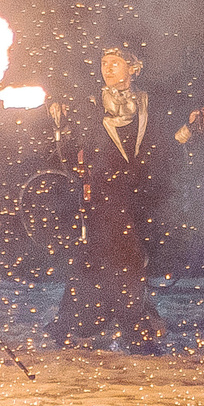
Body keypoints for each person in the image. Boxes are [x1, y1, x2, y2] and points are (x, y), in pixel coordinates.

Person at [46, 38, 169, 353]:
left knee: (95, 262)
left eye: (115, 62)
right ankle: (137, 331)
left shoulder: (148, 103)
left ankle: (68, 326)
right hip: (100, 195)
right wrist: (60, 121)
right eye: (104, 63)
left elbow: (167, 139)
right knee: (124, 262)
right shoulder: (90, 104)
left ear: (133, 67)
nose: (108, 69)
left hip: (136, 197)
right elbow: (70, 148)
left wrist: (192, 125)